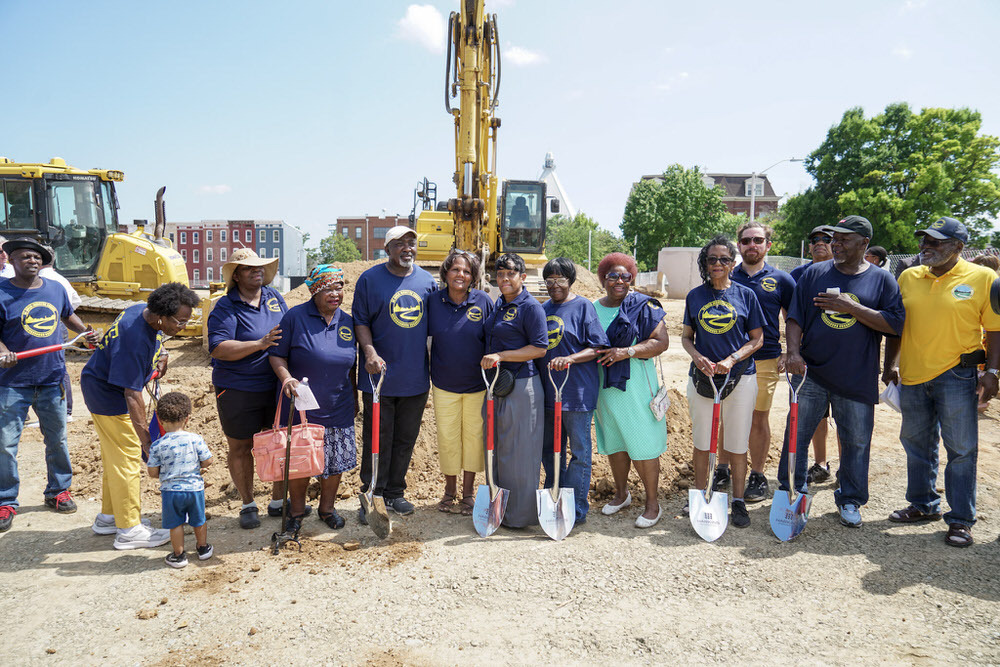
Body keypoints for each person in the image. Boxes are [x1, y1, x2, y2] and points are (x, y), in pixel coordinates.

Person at [780, 215, 905, 527]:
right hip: (810, 373)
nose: (835, 244)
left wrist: (850, 307)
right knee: (796, 435)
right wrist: (793, 351)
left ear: (864, 244)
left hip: (857, 376)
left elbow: (895, 324)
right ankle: (792, 491)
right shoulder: (813, 273)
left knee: (856, 441)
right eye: (833, 238)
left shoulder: (881, 280)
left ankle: (850, 498)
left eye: (844, 239)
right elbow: (795, 317)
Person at [883, 218, 1000, 547]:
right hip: (914, 374)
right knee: (916, 444)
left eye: (936, 242)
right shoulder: (908, 276)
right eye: (925, 240)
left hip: (958, 375)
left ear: (959, 247)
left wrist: (991, 373)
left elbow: (994, 329)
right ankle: (923, 503)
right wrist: (890, 365)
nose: (926, 247)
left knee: (961, 450)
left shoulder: (983, 278)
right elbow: (897, 326)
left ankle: (961, 518)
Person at [82, 282, 199, 549]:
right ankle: (129, 530)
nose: (182, 327)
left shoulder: (139, 310)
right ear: (161, 316)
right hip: (108, 398)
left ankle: (110, 517)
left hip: (98, 386)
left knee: (115, 456)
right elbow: (132, 394)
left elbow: (154, 341)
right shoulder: (134, 341)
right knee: (128, 459)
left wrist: (162, 351)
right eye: (179, 322)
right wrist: (146, 440)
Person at [0, 239, 100, 532]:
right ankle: (5, 501)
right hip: (12, 384)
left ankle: (58, 492)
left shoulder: (55, 289)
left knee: (57, 440)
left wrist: (85, 332)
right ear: (11, 261)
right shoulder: (2, 293)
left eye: (35, 256)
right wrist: (4, 351)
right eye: (24, 256)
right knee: (5, 445)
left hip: (51, 379)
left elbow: (67, 315)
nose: (31, 260)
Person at [353, 226, 437, 521]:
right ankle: (372, 493)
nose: (407, 248)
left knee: (405, 437)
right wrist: (370, 352)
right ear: (387, 249)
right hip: (378, 377)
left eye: (411, 243)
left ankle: (395, 493)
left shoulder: (428, 281)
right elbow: (360, 321)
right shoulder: (370, 279)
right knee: (377, 437)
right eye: (399, 244)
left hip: (415, 377)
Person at [682, 236, 764, 528]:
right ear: (705, 263)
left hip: (740, 378)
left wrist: (732, 359)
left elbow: (757, 339)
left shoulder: (746, 295)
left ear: (733, 263)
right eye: (712, 259)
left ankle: (738, 501)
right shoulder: (695, 296)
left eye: (724, 259)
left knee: (737, 444)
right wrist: (696, 358)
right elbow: (686, 338)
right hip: (704, 380)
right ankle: (701, 494)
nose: (718, 264)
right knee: (703, 443)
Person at [270, 265, 358, 532]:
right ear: (315, 291)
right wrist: (286, 378)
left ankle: (327, 509)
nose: (335, 294)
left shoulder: (348, 321)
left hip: (339, 404)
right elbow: (276, 355)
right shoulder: (295, 317)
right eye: (328, 288)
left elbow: (351, 366)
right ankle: (296, 513)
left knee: (334, 462)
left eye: (339, 288)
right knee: (300, 462)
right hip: (300, 408)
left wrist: (355, 398)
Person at [208, 247, 289, 529]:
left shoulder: (275, 298)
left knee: (278, 444)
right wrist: (259, 344)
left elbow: (288, 330)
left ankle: (278, 501)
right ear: (237, 275)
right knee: (241, 447)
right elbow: (219, 348)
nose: (258, 271)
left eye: (260, 267)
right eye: (250, 268)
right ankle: (247, 503)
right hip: (238, 388)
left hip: (275, 386)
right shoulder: (226, 306)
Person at [713, 222, 794, 503]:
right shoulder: (726, 275)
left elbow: (793, 319)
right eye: (746, 241)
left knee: (759, 418)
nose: (752, 245)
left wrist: (791, 351)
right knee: (727, 417)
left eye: (758, 240)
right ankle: (722, 469)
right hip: (730, 361)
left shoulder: (782, 280)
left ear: (768, 245)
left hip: (765, 358)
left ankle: (757, 475)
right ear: (739, 245)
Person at [593, 253, 670, 528]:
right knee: (615, 442)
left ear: (632, 279)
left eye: (625, 276)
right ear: (603, 279)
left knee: (644, 444)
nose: (619, 281)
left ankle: (652, 504)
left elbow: (661, 342)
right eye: (613, 275)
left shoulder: (644, 306)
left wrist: (627, 351)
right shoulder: (593, 308)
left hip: (637, 388)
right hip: (606, 389)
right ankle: (621, 494)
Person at [480, 252, 548, 528]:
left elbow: (540, 348)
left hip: (522, 385)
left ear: (523, 277)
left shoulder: (531, 307)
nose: (504, 279)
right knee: (496, 449)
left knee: (520, 452)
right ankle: (499, 512)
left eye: (510, 274)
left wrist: (502, 356)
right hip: (496, 385)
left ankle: (519, 517)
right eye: (500, 274)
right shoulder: (499, 304)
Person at [539, 257, 609, 524]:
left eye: (561, 280)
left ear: (570, 281)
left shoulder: (583, 307)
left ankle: (576, 508)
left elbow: (598, 348)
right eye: (550, 280)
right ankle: (552, 501)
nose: (555, 285)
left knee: (579, 452)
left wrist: (570, 359)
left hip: (577, 392)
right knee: (549, 450)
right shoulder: (542, 309)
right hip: (548, 392)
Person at [426, 250, 492, 515]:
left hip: (477, 385)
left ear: (473, 277)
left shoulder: (483, 300)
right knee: (448, 438)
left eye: (466, 271)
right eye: (455, 270)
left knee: (473, 439)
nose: (460, 275)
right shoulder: (433, 302)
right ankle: (449, 492)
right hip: (443, 384)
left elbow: (494, 338)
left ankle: (468, 494)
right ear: (446, 273)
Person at [789, 225, 838, 484]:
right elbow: (790, 314)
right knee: (814, 414)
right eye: (814, 239)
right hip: (807, 357)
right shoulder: (798, 274)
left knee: (843, 416)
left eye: (826, 239)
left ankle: (844, 469)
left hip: (842, 357)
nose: (820, 243)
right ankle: (819, 463)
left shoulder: (848, 272)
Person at [147, 391, 214, 568]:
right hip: (194, 489)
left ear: (160, 420)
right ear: (187, 418)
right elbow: (208, 460)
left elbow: (152, 472)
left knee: (175, 523)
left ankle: (179, 555)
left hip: (171, 492)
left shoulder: (157, 445)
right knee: (198, 520)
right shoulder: (195, 439)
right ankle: (203, 548)